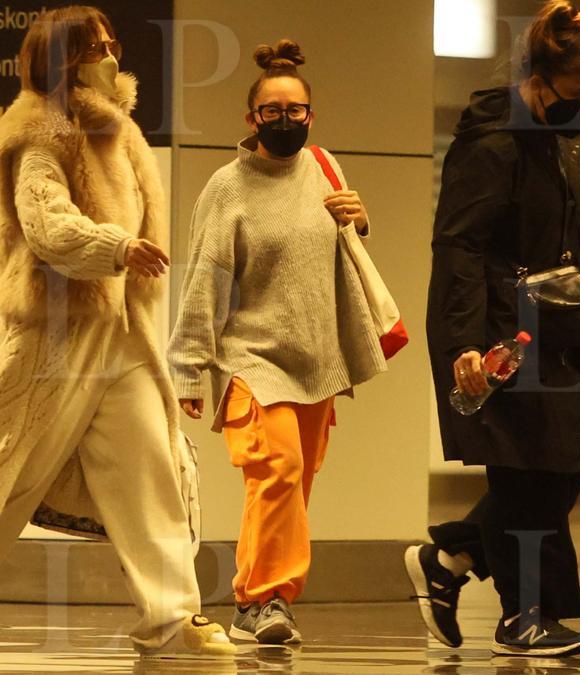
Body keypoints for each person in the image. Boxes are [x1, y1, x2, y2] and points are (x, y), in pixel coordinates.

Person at [0, 6, 236, 660]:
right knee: (5, 472)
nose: (109, 54)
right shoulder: (40, 133)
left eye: (110, 43)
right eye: (94, 46)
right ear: (61, 59)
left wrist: (124, 259)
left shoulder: (117, 132)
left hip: (119, 334)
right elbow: (46, 226)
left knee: (149, 468)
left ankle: (171, 617)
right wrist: (116, 247)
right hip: (55, 336)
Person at [405, 1, 580, 658]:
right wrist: (463, 342)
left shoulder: (556, 145)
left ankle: (451, 555)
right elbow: (459, 249)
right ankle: (521, 615)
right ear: (537, 77)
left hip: (562, 331)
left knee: (569, 459)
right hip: (507, 334)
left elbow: (575, 248)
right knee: (529, 469)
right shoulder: (492, 146)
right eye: (575, 90)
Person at [167, 39, 388, 645]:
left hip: (316, 360)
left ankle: (262, 599)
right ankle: (261, 601)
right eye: (273, 111)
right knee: (279, 470)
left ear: (311, 117)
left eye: (297, 111)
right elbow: (204, 282)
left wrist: (360, 219)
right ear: (251, 119)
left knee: (290, 483)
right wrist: (188, 368)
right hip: (252, 359)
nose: (286, 120)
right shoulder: (227, 187)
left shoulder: (323, 167)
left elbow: (338, 254)